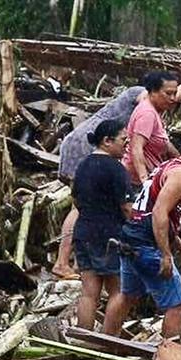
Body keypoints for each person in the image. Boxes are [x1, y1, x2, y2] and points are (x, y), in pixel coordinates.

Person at [107, 133, 181, 341]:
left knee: (128, 296)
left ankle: (103, 343)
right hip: (145, 244)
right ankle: (170, 355)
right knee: (177, 304)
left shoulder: (168, 166)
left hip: (129, 238)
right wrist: (165, 254)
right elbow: (159, 213)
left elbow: (161, 215)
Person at [49, 83, 145, 277]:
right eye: (168, 92)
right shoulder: (139, 93)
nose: (172, 97)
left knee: (83, 207)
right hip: (83, 146)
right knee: (78, 208)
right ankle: (62, 262)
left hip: (83, 142)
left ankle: (78, 263)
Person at [70, 119, 132, 330]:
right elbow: (127, 207)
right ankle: (108, 340)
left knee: (89, 293)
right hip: (110, 236)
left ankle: (81, 340)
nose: (127, 144)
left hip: (83, 231)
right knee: (119, 290)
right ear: (107, 141)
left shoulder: (83, 165)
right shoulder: (116, 169)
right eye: (124, 140)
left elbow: (76, 201)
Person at [124, 68, 181, 185]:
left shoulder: (155, 111)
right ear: (153, 92)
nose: (173, 98)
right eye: (168, 94)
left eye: (174, 93)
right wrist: (145, 180)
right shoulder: (147, 113)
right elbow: (136, 147)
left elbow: (165, 142)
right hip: (135, 181)